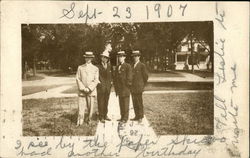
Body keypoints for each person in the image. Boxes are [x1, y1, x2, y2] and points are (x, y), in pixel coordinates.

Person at [76, 51, 99, 126]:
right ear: (85, 58)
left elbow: (96, 80)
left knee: (90, 106)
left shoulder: (95, 68)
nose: (88, 59)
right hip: (82, 91)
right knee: (81, 106)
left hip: (90, 91)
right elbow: (78, 78)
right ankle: (80, 120)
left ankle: (89, 119)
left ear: (92, 58)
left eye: (89, 58)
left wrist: (89, 88)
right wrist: (82, 88)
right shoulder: (80, 67)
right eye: (86, 57)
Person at [114, 51, 132, 123]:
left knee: (125, 104)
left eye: (122, 56)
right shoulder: (117, 66)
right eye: (119, 57)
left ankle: (125, 118)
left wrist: (127, 85)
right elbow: (115, 77)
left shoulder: (127, 66)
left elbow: (129, 77)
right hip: (119, 89)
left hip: (125, 88)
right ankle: (122, 117)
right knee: (121, 103)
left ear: (124, 57)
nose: (120, 58)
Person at [130, 50, 148, 123]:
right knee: (134, 102)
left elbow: (145, 76)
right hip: (133, 87)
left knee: (139, 102)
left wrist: (142, 85)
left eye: (136, 56)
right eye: (134, 56)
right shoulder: (132, 65)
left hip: (139, 87)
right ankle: (136, 115)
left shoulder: (142, 65)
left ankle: (140, 116)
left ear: (139, 57)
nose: (135, 57)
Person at [97, 50, 112, 123]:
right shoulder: (98, 66)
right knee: (101, 102)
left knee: (106, 102)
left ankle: (105, 115)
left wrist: (110, 84)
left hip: (107, 88)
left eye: (106, 58)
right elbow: (96, 77)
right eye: (104, 57)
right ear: (101, 58)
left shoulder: (109, 66)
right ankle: (101, 116)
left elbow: (110, 77)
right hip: (100, 87)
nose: (105, 59)